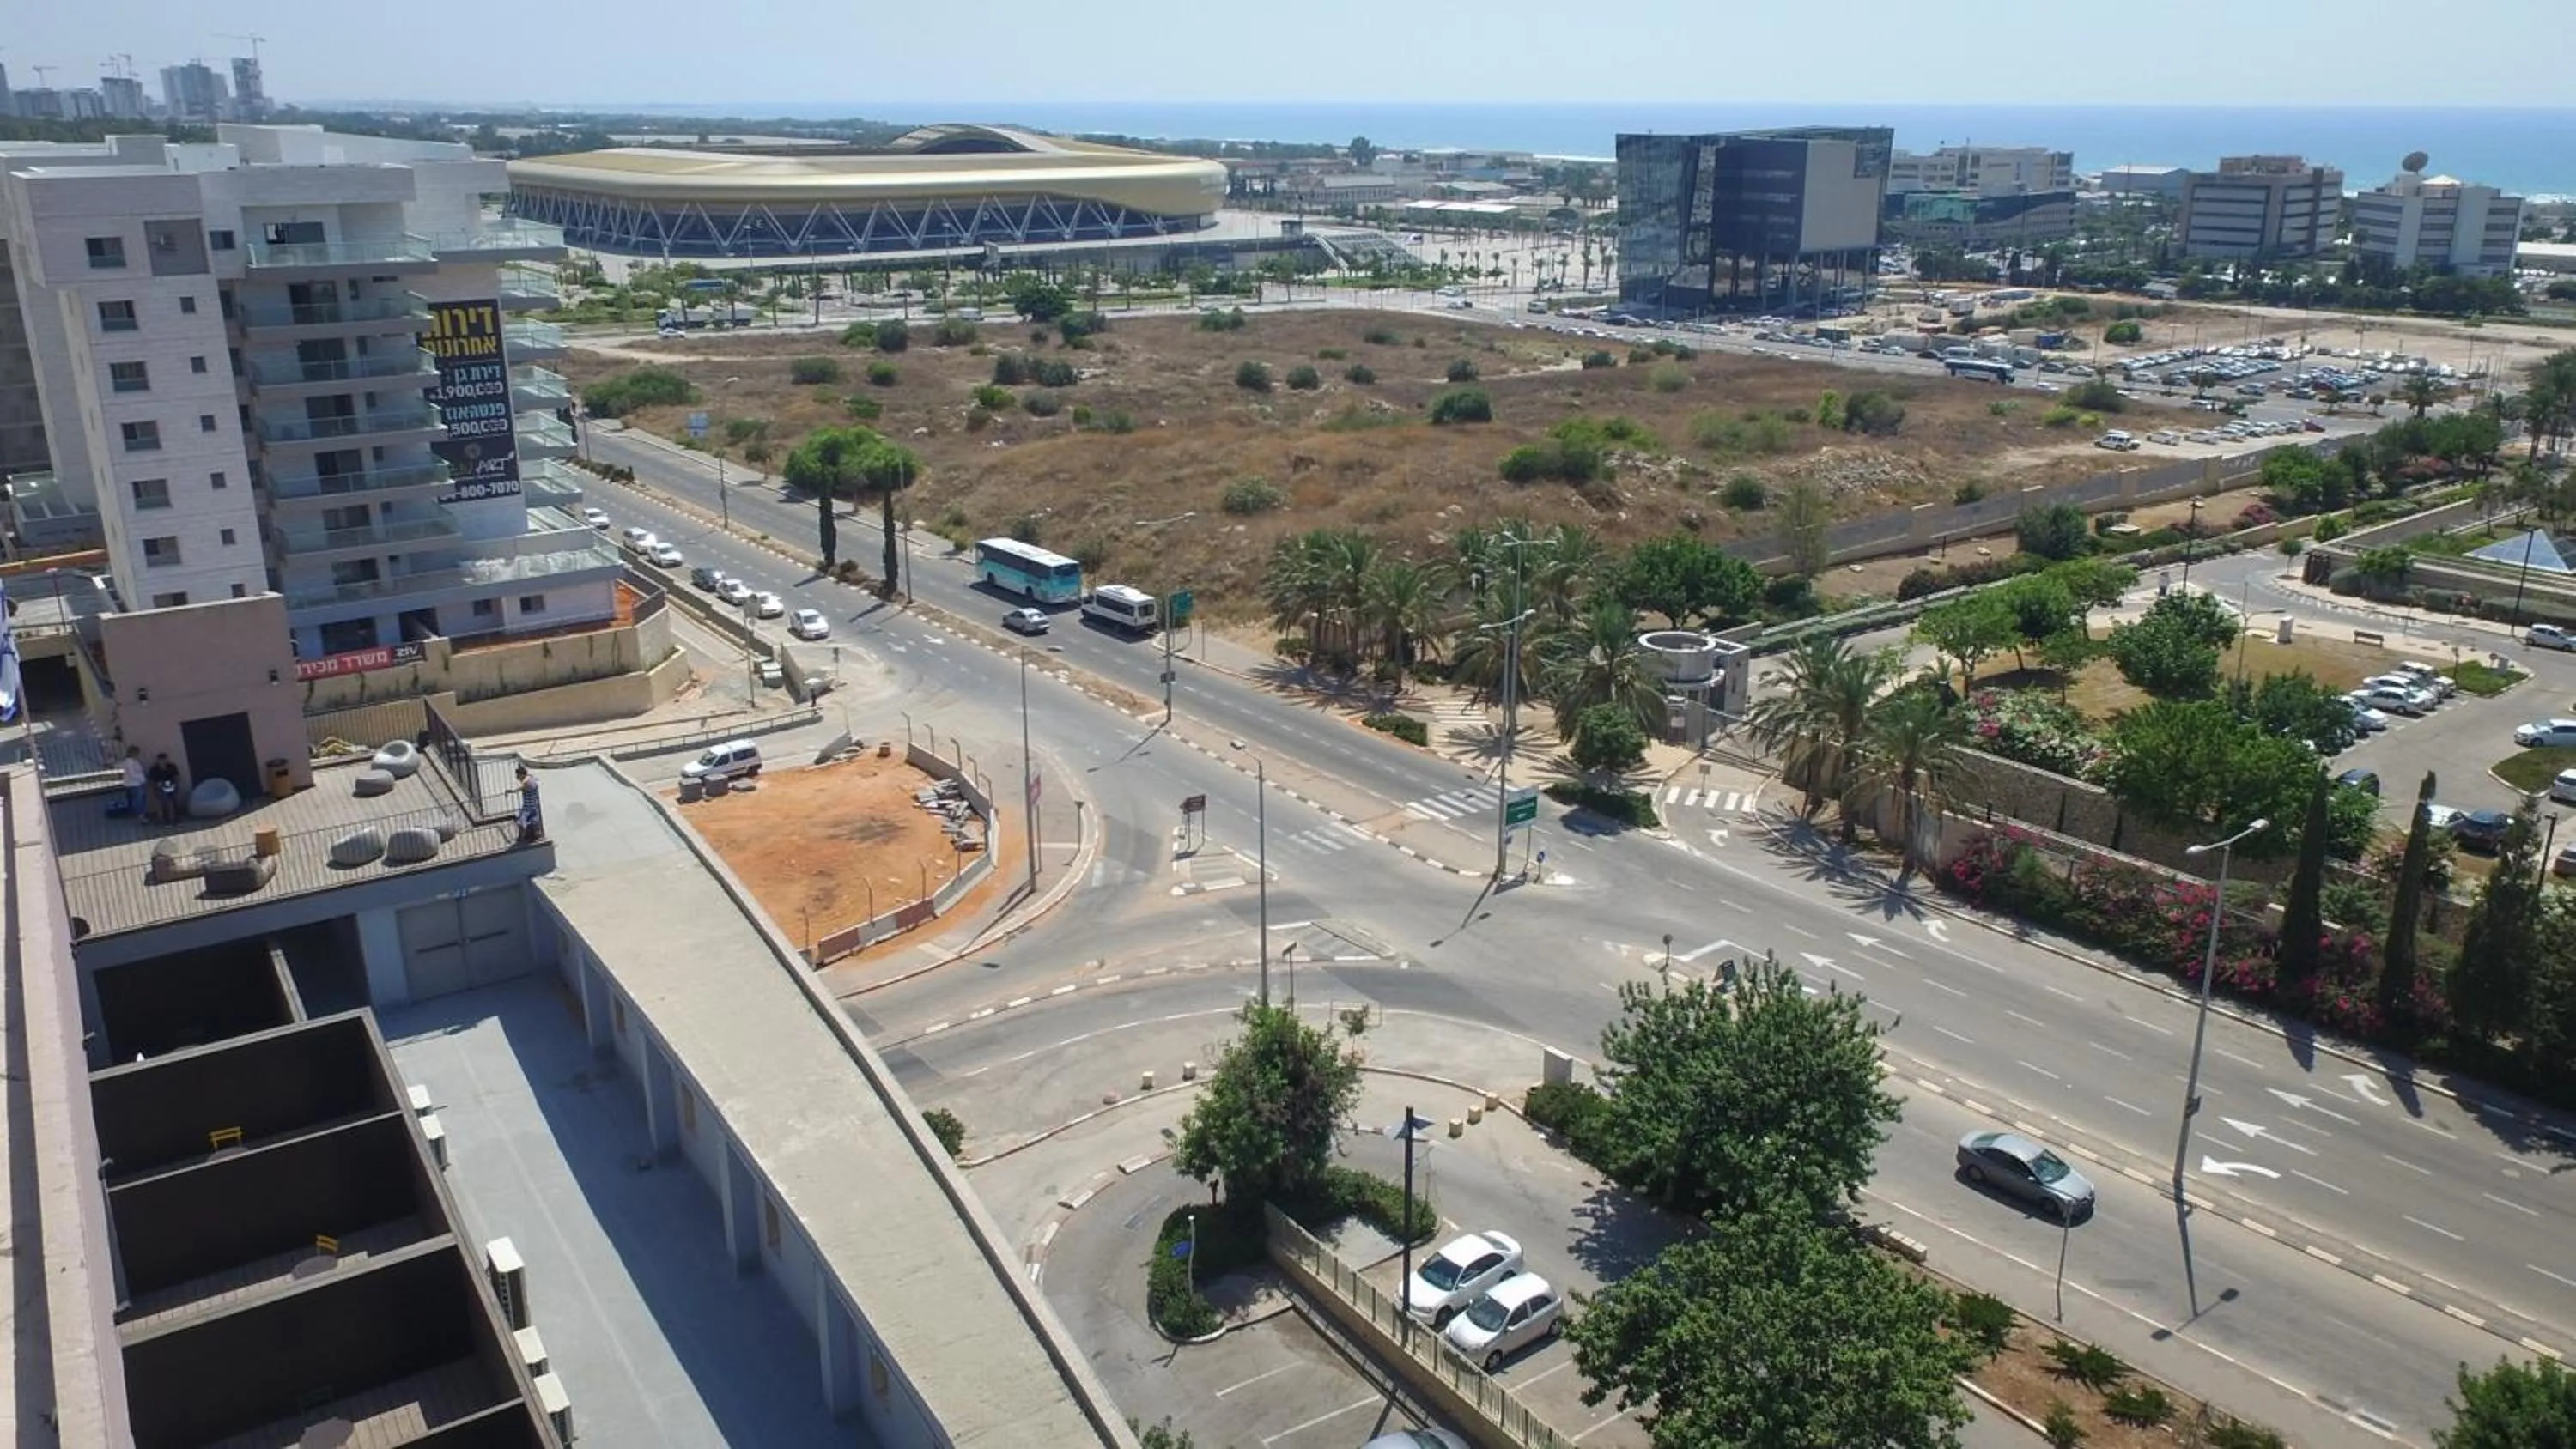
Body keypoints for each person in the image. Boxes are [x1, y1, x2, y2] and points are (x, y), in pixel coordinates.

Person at [146, 753, 181, 824]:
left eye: (165, 760)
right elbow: (151, 780)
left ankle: (172, 818)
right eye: (161, 760)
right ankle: (161, 819)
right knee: (160, 803)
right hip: (160, 788)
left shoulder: (172, 767)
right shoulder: (154, 769)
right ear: (158, 761)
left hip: (171, 786)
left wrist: (176, 784)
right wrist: (157, 785)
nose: (163, 762)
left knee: (171, 801)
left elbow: (177, 776)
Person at [514, 765, 544, 844]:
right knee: (532, 821)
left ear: (522, 775)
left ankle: (521, 838)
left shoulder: (526, 782)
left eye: (518, 775)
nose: (517, 777)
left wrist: (510, 791)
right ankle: (534, 836)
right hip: (533, 805)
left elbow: (523, 786)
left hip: (528, 806)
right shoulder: (531, 779)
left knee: (521, 821)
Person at [121, 747, 147, 820]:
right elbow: (131, 774)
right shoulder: (129, 761)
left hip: (137, 783)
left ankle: (141, 814)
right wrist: (141, 779)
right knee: (139, 800)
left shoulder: (134, 760)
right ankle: (140, 815)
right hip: (134, 784)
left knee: (141, 799)